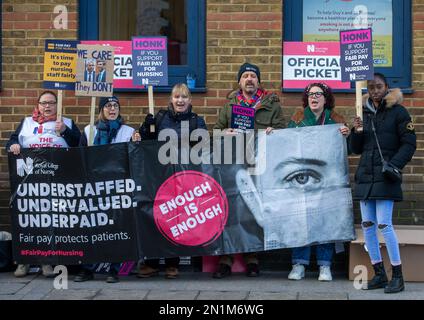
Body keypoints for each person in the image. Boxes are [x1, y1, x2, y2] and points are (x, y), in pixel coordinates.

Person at [212, 62, 284, 278]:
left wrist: (275, 132)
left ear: (258, 81)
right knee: (231, 209)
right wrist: (225, 132)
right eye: (246, 76)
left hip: (261, 165)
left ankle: (253, 257)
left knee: (255, 209)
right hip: (233, 164)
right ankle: (226, 257)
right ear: (240, 82)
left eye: (253, 76)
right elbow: (215, 131)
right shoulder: (230, 105)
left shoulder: (272, 105)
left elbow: (284, 132)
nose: (250, 79)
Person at [350, 73, 416, 293]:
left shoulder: (399, 112)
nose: (374, 90)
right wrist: (356, 132)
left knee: (384, 225)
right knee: (367, 226)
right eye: (370, 87)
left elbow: (409, 144)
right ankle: (378, 273)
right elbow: (357, 148)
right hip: (366, 176)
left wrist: (395, 165)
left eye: (378, 86)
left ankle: (398, 276)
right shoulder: (364, 112)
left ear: (387, 87)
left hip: (386, 176)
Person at [6, 90, 81, 278]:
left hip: (58, 181)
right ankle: (24, 261)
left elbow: (79, 145)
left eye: (51, 103)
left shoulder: (67, 123)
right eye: (43, 103)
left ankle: (48, 261)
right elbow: (13, 141)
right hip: (29, 182)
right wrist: (13, 146)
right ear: (38, 105)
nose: (47, 106)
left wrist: (64, 131)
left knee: (51, 221)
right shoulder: (27, 122)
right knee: (28, 220)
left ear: (57, 104)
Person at [135, 83, 207, 279]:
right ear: (171, 100)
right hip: (158, 176)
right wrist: (146, 126)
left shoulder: (196, 121)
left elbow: (204, 147)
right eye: (177, 97)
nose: (180, 100)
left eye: (184, 97)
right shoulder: (159, 118)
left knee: (177, 220)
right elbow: (145, 141)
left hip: (183, 178)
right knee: (155, 217)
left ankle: (171, 264)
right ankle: (151, 263)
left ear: (190, 100)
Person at [286, 82, 350, 282]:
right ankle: (299, 264)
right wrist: (273, 135)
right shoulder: (297, 119)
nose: (314, 97)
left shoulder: (336, 120)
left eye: (318, 94)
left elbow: (346, 150)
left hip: (327, 181)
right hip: (302, 179)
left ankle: (325, 265)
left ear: (326, 98)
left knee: (326, 222)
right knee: (301, 221)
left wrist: (346, 136)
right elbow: (286, 144)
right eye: (310, 94)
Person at [74, 95, 135, 283]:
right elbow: (79, 158)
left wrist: (139, 141)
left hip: (117, 188)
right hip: (93, 188)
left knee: (117, 228)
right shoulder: (89, 131)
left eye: (115, 105)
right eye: (107, 106)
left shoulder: (129, 131)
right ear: (101, 110)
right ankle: (87, 268)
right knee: (91, 227)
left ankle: (114, 269)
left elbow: (136, 159)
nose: (112, 109)